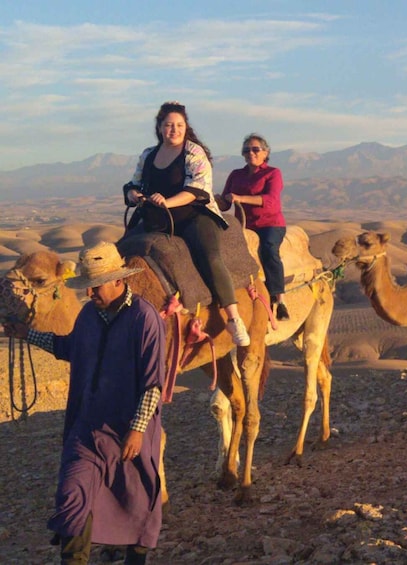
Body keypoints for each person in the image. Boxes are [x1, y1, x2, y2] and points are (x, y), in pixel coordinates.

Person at [3, 242, 166, 565]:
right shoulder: (89, 315)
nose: (90, 293)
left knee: (135, 500)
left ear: (119, 281)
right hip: (86, 428)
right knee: (71, 496)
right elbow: (69, 347)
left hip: (126, 430)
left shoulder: (145, 319)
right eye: (87, 287)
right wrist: (26, 335)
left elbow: (153, 384)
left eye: (95, 287)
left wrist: (136, 430)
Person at [122, 101, 250, 345]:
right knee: (120, 251)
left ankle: (233, 318)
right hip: (157, 218)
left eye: (179, 125)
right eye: (169, 125)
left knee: (209, 256)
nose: (174, 130)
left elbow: (197, 190)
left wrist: (168, 202)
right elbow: (134, 183)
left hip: (193, 214)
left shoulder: (193, 153)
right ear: (160, 128)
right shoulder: (149, 155)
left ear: (186, 127)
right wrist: (134, 195)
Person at [219, 133, 289, 321]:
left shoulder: (273, 173)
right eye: (247, 150)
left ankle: (279, 298)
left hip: (269, 224)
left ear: (265, 152)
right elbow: (225, 203)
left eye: (255, 149)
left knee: (268, 249)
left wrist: (240, 198)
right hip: (243, 225)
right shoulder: (236, 175)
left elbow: (271, 201)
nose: (251, 153)